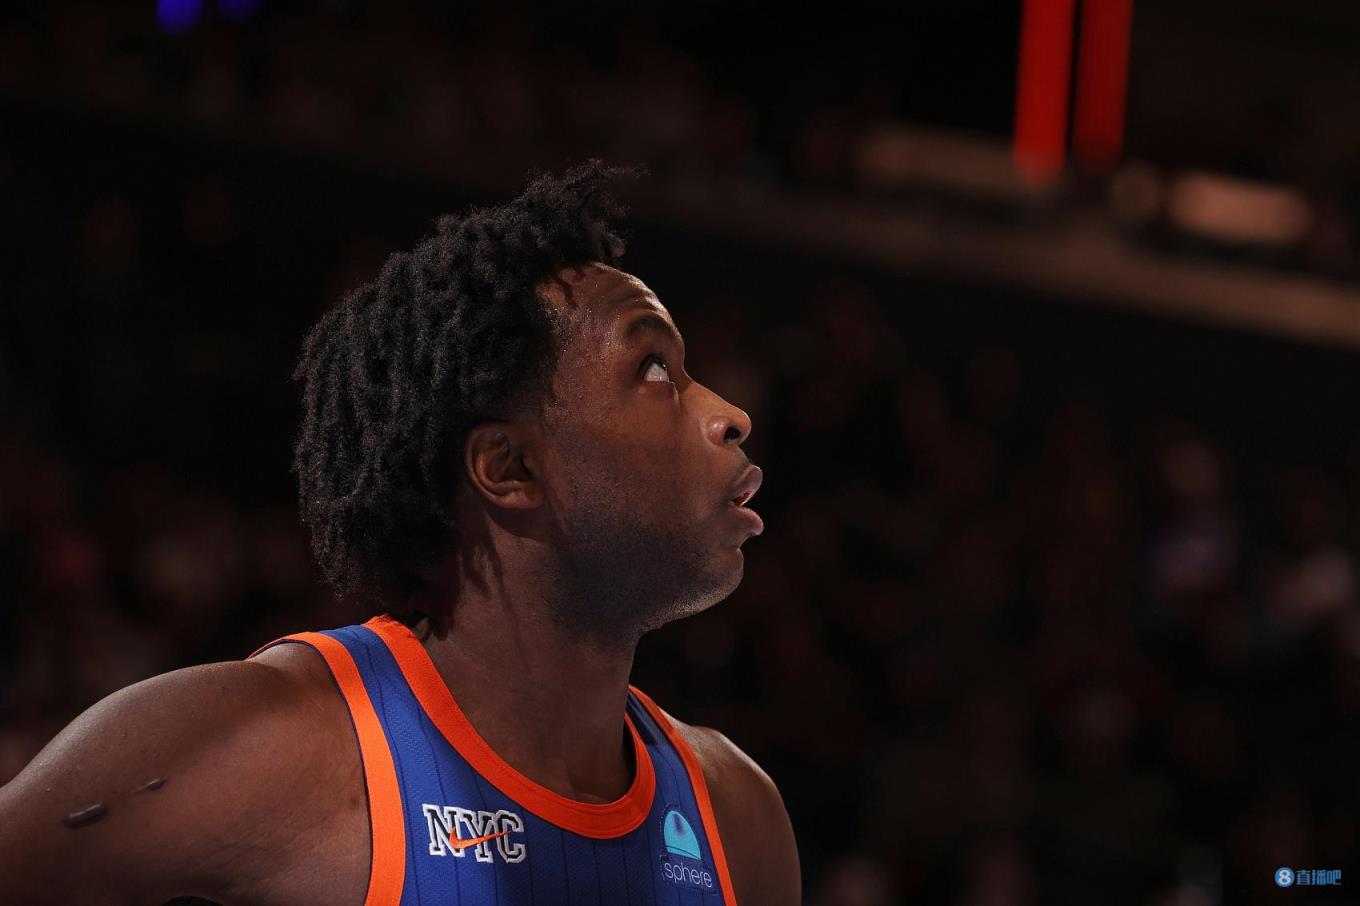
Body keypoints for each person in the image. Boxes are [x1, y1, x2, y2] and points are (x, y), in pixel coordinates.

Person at [0, 160, 800, 905]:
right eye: (655, 370)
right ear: (510, 467)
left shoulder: (738, 819)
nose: (730, 414)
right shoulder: (272, 744)